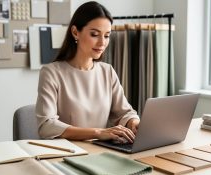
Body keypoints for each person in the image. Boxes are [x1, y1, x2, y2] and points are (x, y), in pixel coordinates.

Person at [36, 1, 140, 143]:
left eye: (107, 35)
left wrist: (134, 123)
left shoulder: (107, 71)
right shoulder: (51, 73)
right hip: (69, 154)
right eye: (94, 34)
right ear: (75, 32)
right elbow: (46, 125)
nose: (102, 43)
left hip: (102, 152)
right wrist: (98, 133)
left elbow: (124, 113)